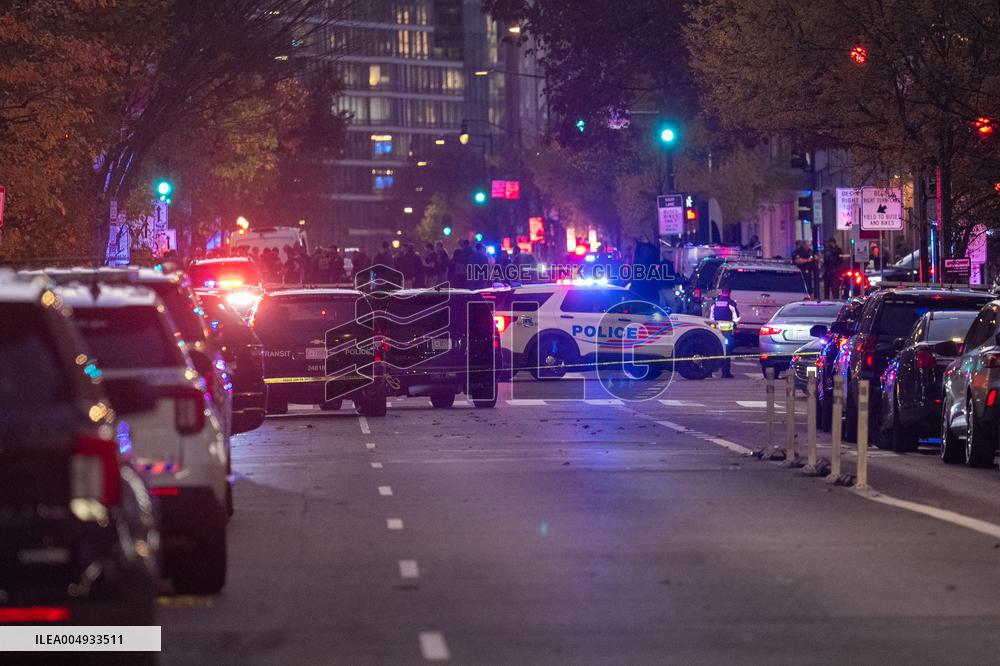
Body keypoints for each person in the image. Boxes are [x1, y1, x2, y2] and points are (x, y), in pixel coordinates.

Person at [711, 287, 739, 378]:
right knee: (727, 351)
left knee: (714, 350)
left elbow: (711, 316)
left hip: (716, 330)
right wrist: (735, 325)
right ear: (729, 293)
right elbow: (736, 317)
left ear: (722, 292)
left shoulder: (715, 303)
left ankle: (709, 371)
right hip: (727, 331)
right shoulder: (731, 303)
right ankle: (725, 372)